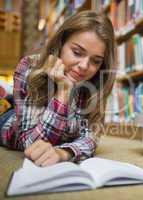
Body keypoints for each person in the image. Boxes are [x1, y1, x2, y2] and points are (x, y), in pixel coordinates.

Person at [0, 11, 116, 167]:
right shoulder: (30, 66)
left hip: (37, 118)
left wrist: (64, 153)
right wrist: (63, 92)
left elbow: (91, 137)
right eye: (77, 52)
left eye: (96, 61)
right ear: (60, 44)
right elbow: (32, 144)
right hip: (8, 122)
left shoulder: (94, 83)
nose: (84, 66)